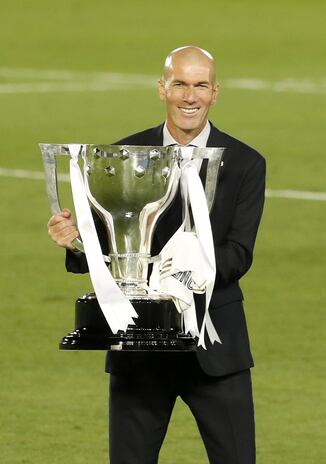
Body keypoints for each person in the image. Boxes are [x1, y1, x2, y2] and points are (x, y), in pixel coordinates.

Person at [48, 46, 266, 464]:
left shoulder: (245, 163)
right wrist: (75, 242)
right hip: (138, 348)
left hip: (216, 348)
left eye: (200, 85)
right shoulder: (120, 156)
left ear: (215, 92)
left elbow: (238, 255)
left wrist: (176, 279)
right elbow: (103, 248)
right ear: (161, 89)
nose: (190, 96)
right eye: (180, 84)